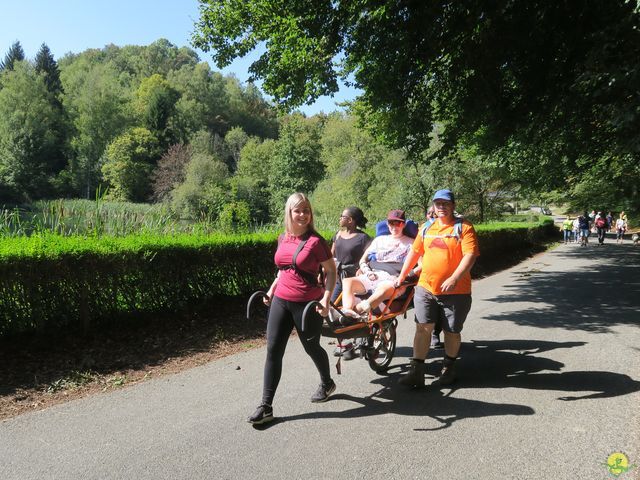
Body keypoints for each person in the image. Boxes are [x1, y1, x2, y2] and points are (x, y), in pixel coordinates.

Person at [248, 193, 337, 425]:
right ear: (289, 212)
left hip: (307, 305)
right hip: (281, 301)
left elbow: (331, 272)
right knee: (273, 350)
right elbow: (283, 269)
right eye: (298, 210)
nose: (302, 215)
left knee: (311, 347)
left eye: (306, 210)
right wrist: (271, 290)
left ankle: (327, 382)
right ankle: (266, 406)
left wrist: (326, 299)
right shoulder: (283, 238)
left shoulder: (316, 242)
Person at [395, 189, 480, 387]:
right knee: (422, 328)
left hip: (456, 291)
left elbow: (470, 256)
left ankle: (449, 369)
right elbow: (415, 253)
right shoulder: (426, 228)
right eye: (438, 203)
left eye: (446, 203)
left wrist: (454, 277)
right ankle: (416, 372)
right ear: (433, 206)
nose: (441, 207)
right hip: (426, 288)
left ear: (453, 205)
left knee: (451, 332)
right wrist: (401, 276)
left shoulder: (464, 228)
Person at [338, 209, 415, 321]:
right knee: (347, 282)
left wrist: (405, 276)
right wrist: (367, 271)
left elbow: (421, 265)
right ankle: (347, 313)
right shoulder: (379, 240)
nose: (394, 227)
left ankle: (357, 310)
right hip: (374, 274)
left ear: (403, 224)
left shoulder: (411, 243)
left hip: (394, 278)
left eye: (398, 223)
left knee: (383, 289)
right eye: (391, 223)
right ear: (387, 224)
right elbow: (363, 260)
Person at [331, 207, 371, 357]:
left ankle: (358, 342)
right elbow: (331, 256)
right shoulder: (338, 235)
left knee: (353, 309)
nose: (340, 218)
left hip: (355, 279)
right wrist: (324, 272)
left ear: (351, 220)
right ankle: (343, 344)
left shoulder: (363, 238)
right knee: (333, 308)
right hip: (339, 279)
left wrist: (363, 269)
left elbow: (369, 257)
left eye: (343, 216)